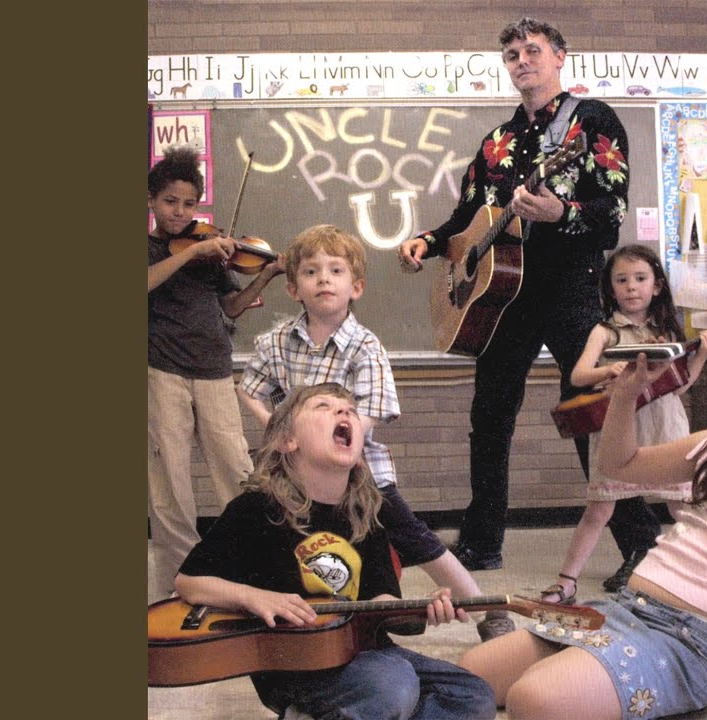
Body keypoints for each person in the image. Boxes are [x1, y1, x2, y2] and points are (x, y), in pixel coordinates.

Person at [398, 16, 662, 590]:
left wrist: (561, 213)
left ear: (560, 56)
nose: (522, 60)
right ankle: (481, 542)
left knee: (590, 413)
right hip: (503, 297)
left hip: (570, 286)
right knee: (489, 418)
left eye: (533, 50)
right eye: (513, 54)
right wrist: (430, 241)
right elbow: (468, 219)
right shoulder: (496, 141)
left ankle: (642, 544)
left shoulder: (592, 121)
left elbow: (612, 213)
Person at [459, 355, 707, 719]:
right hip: (623, 611)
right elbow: (620, 465)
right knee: (470, 678)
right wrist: (626, 396)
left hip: (691, 645)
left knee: (532, 700)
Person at [238, 224, 515, 641]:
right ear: (294, 289)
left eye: (335, 271)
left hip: (360, 471)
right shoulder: (274, 342)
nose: (324, 280)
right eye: (311, 272)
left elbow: (371, 410)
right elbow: (249, 389)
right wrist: (278, 431)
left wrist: (332, 446)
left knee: (413, 537)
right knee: (275, 529)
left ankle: (484, 608)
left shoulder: (365, 346)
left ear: (356, 287)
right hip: (294, 470)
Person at [176, 382, 497, 720]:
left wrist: (422, 611)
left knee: (473, 695)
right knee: (395, 684)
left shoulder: (367, 514)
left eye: (351, 410)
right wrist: (255, 597)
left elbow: (380, 603)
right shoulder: (256, 508)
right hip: (294, 667)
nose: (344, 411)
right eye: (323, 407)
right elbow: (188, 582)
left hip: (364, 654)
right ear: (288, 440)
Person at [538, 245, 707, 605]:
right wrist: (608, 370)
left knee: (681, 507)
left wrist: (702, 354)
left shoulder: (666, 331)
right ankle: (566, 583)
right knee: (599, 509)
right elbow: (578, 375)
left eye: (640, 278)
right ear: (611, 288)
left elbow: (678, 386)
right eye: (622, 280)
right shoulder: (604, 331)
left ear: (657, 286)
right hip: (619, 428)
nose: (631, 287)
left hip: (664, 425)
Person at [147, 146, 287, 600]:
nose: (180, 212)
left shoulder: (209, 253)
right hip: (162, 372)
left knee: (237, 471)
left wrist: (266, 275)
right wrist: (193, 253)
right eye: (170, 201)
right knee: (169, 486)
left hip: (214, 371)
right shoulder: (159, 249)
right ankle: (175, 589)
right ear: (151, 200)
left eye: (189, 204)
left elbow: (233, 306)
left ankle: (248, 574)